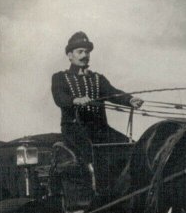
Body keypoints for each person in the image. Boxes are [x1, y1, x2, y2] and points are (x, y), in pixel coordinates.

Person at [51, 31, 143, 190]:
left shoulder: (97, 78)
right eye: (80, 51)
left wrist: (129, 100)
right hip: (74, 129)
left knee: (131, 148)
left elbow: (113, 93)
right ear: (69, 55)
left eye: (87, 52)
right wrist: (75, 100)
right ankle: (99, 193)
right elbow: (60, 98)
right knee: (96, 156)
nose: (84, 55)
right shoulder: (60, 78)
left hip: (100, 129)